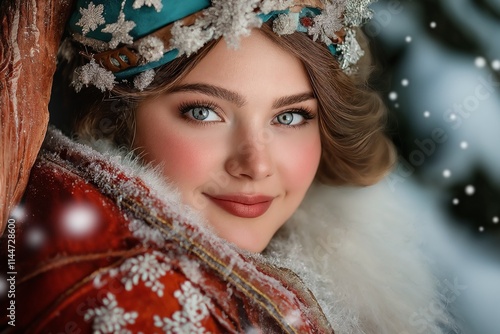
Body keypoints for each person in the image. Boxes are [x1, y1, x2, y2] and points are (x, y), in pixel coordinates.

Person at [1, 0, 452, 333]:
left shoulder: (334, 268)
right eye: (203, 112)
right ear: (115, 118)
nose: (255, 165)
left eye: (290, 116)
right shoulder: (126, 305)